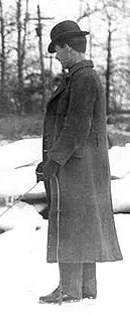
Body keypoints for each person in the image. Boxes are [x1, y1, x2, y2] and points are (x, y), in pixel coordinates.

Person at [36, 20, 122, 304]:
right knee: (82, 223)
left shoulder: (83, 79)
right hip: (83, 164)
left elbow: (76, 127)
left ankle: (70, 289)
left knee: (70, 222)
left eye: (58, 50)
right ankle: (85, 289)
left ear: (68, 48)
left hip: (75, 165)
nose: (56, 56)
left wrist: (54, 160)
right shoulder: (81, 77)